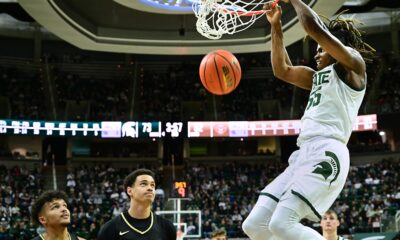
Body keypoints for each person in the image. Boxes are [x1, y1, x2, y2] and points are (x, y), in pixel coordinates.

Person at [242, 0, 375, 240]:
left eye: (321, 48)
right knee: (254, 225)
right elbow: (281, 69)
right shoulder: (316, 78)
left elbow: (314, 28)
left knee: (283, 224)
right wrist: (276, 25)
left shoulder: (353, 66)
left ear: (337, 47)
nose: (316, 52)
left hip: (328, 150)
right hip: (303, 153)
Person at [97, 168, 176, 240]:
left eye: (152, 185)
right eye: (143, 184)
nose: (150, 188)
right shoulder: (110, 228)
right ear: (130, 191)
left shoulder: (167, 227)